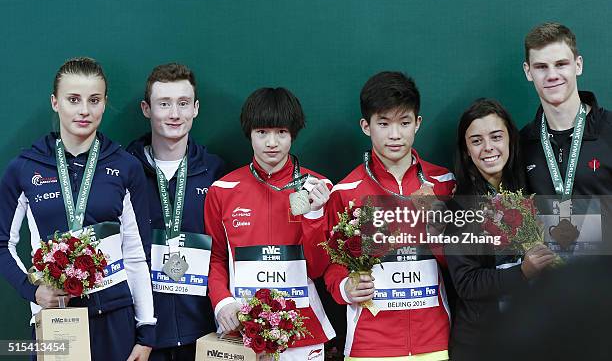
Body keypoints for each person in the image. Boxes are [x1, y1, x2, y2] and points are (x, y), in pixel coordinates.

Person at [0, 57, 155, 360]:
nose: (84, 110)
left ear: (104, 103)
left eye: (94, 100)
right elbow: (2, 243)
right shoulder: (25, 167)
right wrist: (32, 291)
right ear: (55, 102)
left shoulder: (125, 166)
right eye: (74, 99)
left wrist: (146, 330)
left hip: (116, 319)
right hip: (56, 320)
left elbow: (137, 254)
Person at [323, 71, 456, 360]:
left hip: (436, 341)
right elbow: (332, 266)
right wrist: (346, 288)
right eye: (383, 123)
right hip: (369, 346)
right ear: (366, 126)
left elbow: (462, 262)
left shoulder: (444, 182)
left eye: (404, 123)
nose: (395, 135)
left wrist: (436, 219)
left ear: (417, 124)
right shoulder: (345, 191)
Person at [204, 87, 335, 360]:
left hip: (303, 330)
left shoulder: (317, 187)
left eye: (281, 133)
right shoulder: (222, 189)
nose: (271, 142)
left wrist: (313, 214)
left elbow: (319, 267)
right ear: (249, 133)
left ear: (293, 134)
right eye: (262, 132)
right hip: (240, 328)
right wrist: (222, 302)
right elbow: (215, 256)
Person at [127, 63, 225, 360]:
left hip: (204, 334)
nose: (174, 114)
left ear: (195, 108)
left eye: (183, 103)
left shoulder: (216, 172)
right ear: (146, 109)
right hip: (142, 336)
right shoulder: (123, 172)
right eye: (164, 103)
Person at [445, 98, 555, 360]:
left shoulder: (534, 192)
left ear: (510, 140)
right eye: (476, 141)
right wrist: (524, 271)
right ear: (466, 151)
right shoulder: (459, 208)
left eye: (496, 136)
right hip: (483, 343)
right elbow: (467, 284)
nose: (488, 148)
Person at [520, 22, 612, 254]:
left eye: (561, 64)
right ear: (528, 72)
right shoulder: (522, 143)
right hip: (553, 283)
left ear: (577, 65)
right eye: (541, 66)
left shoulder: (609, 130)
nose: (552, 75)